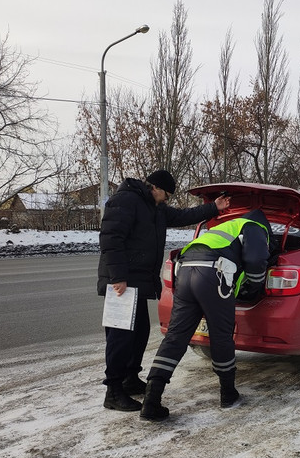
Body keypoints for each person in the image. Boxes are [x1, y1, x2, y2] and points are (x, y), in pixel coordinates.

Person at [97, 169, 230, 411]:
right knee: (120, 337)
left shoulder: (154, 207)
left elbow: (182, 216)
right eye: (166, 195)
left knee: (139, 333)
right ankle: (113, 391)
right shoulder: (125, 200)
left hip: (138, 282)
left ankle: (129, 379)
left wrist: (215, 207)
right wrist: (118, 277)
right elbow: (110, 238)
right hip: (122, 282)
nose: (166, 200)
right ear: (155, 187)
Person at [140, 208, 271, 421]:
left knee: (175, 337)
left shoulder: (224, 228)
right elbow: (256, 259)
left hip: (184, 271)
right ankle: (228, 395)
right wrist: (254, 286)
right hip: (213, 275)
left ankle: (151, 401)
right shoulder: (256, 226)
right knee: (220, 336)